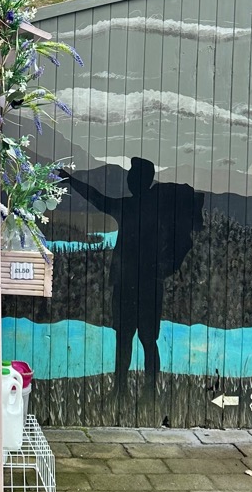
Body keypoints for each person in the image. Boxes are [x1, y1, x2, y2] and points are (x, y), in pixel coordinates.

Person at [67, 157, 204, 396]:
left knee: (125, 339)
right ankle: (148, 392)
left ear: (138, 180)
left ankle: (121, 390)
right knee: (148, 340)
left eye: (133, 175)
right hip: (150, 285)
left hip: (126, 283)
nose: (130, 179)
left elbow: (97, 199)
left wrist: (70, 181)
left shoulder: (128, 207)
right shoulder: (156, 207)